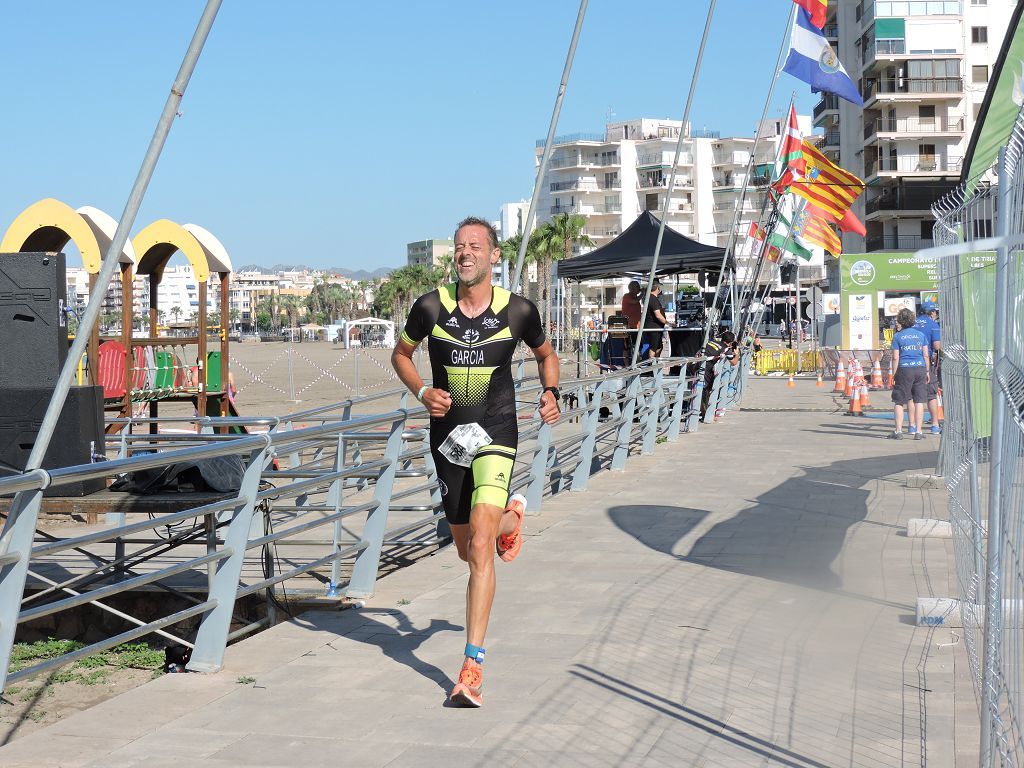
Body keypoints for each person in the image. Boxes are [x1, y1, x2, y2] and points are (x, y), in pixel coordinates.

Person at [391, 216, 561, 708]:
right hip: (448, 441)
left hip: (497, 435)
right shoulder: (430, 307)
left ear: (493, 256)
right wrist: (422, 390)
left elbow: (547, 356)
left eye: (475, 246)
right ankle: (514, 517)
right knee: (468, 550)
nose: (465, 253)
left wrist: (551, 392)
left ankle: (472, 666)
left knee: (482, 547)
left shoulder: (519, 311)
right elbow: (401, 355)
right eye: (460, 247)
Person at [889, 307, 930, 440]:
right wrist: (928, 371)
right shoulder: (920, 335)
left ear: (900, 320)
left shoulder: (898, 336)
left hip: (904, 369)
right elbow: (926, 355)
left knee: (899, 401)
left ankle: (898, 431)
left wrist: (894, 374)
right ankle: (918, 432)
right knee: (919, 400)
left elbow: (895, 357)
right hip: (920, 368)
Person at [914, 301, 942, 434]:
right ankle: (935, 425)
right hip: (926, 364)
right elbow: (937, 346)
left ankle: (913, 426)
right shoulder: (933, 325)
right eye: (935, 312)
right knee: (931, 395)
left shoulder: (912, 323)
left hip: (910, 363)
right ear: (932, 312)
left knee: (913, 396)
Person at [700, 329, 738, 420]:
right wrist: (736, 354)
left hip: (694, 366)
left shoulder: (712, 342)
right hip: (705, 369)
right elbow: (734, 362)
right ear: (730, 343)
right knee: (705, 393)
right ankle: (706, 415)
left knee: (700, 392)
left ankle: (705, 413)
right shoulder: (726, 349)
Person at [641, 280, 668, 359]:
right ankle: (652, 366)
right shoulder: (652, 299)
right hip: (654, 327)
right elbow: (658, 315)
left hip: (655, 327)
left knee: (659, 347)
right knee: (653, 348)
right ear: (657, 288)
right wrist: (668, 323)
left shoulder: (649, 298)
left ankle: (655, 364)